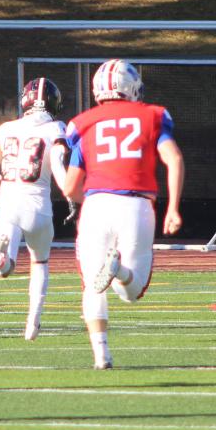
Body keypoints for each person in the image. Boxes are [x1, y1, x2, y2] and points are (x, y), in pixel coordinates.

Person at [62, 59, 184, 370]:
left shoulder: (83, 122)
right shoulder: (153, 115)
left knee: (91, 284)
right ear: (130, 87)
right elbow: (174, 159)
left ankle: (101, 355)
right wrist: (173, 208)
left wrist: (82, 202)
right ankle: (119, 271)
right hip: (137, 206)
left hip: (96, 205)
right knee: (133, 291)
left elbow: (72, 186)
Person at [0, 77, 72, 341]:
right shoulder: (55, 128)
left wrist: (6, 186)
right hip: (39, 207)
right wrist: (70, 195)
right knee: (40, 262)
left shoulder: (7, 128)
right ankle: (33, 323)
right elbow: (57, 164)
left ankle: (3, 259)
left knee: (6, 269)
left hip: (8, 202)